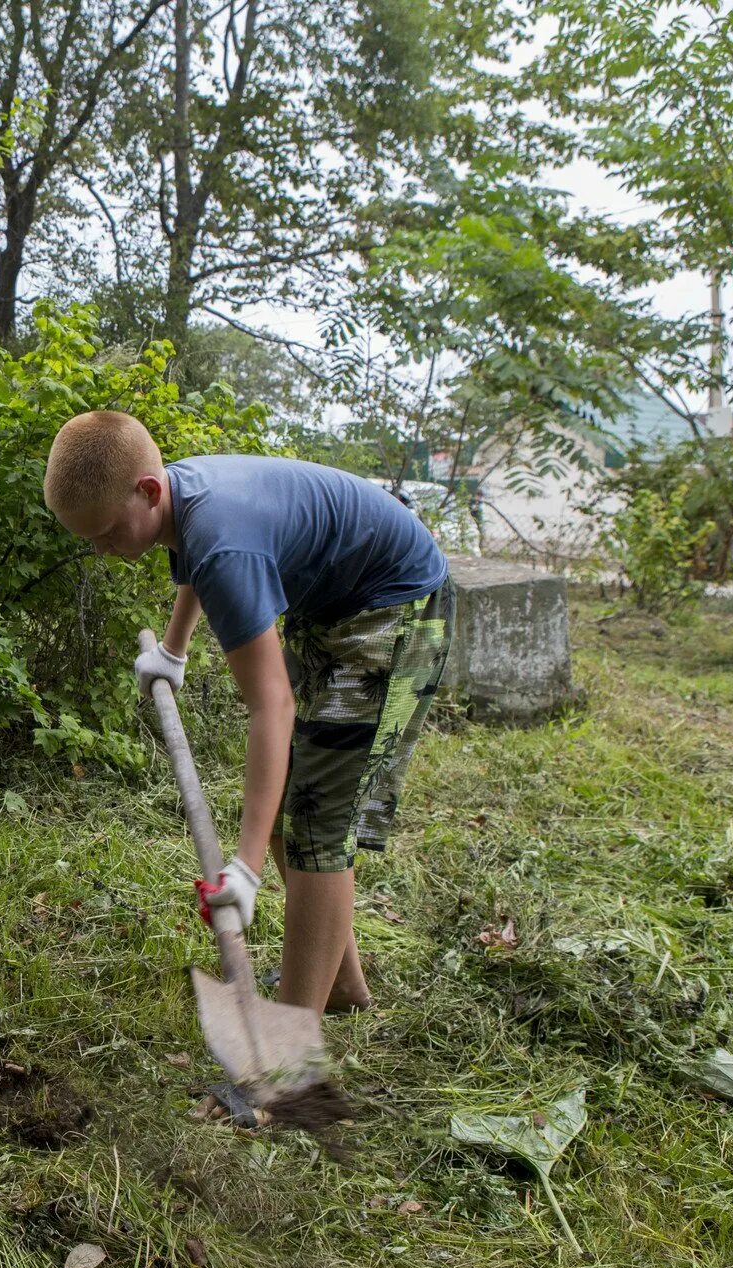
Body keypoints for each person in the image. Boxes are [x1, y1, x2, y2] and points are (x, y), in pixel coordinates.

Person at [43, 412, 449, 1053]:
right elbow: (195, 566)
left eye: (107, 531)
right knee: (295, 808)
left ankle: (289, 1051)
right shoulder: (184, 502)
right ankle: (337, 983)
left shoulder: (223, 540)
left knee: (318, 826)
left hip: (393, 609)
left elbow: (271, 708)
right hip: (336, 605)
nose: (102, 549)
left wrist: (247, 869)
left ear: (149, 492)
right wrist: (173, 651)